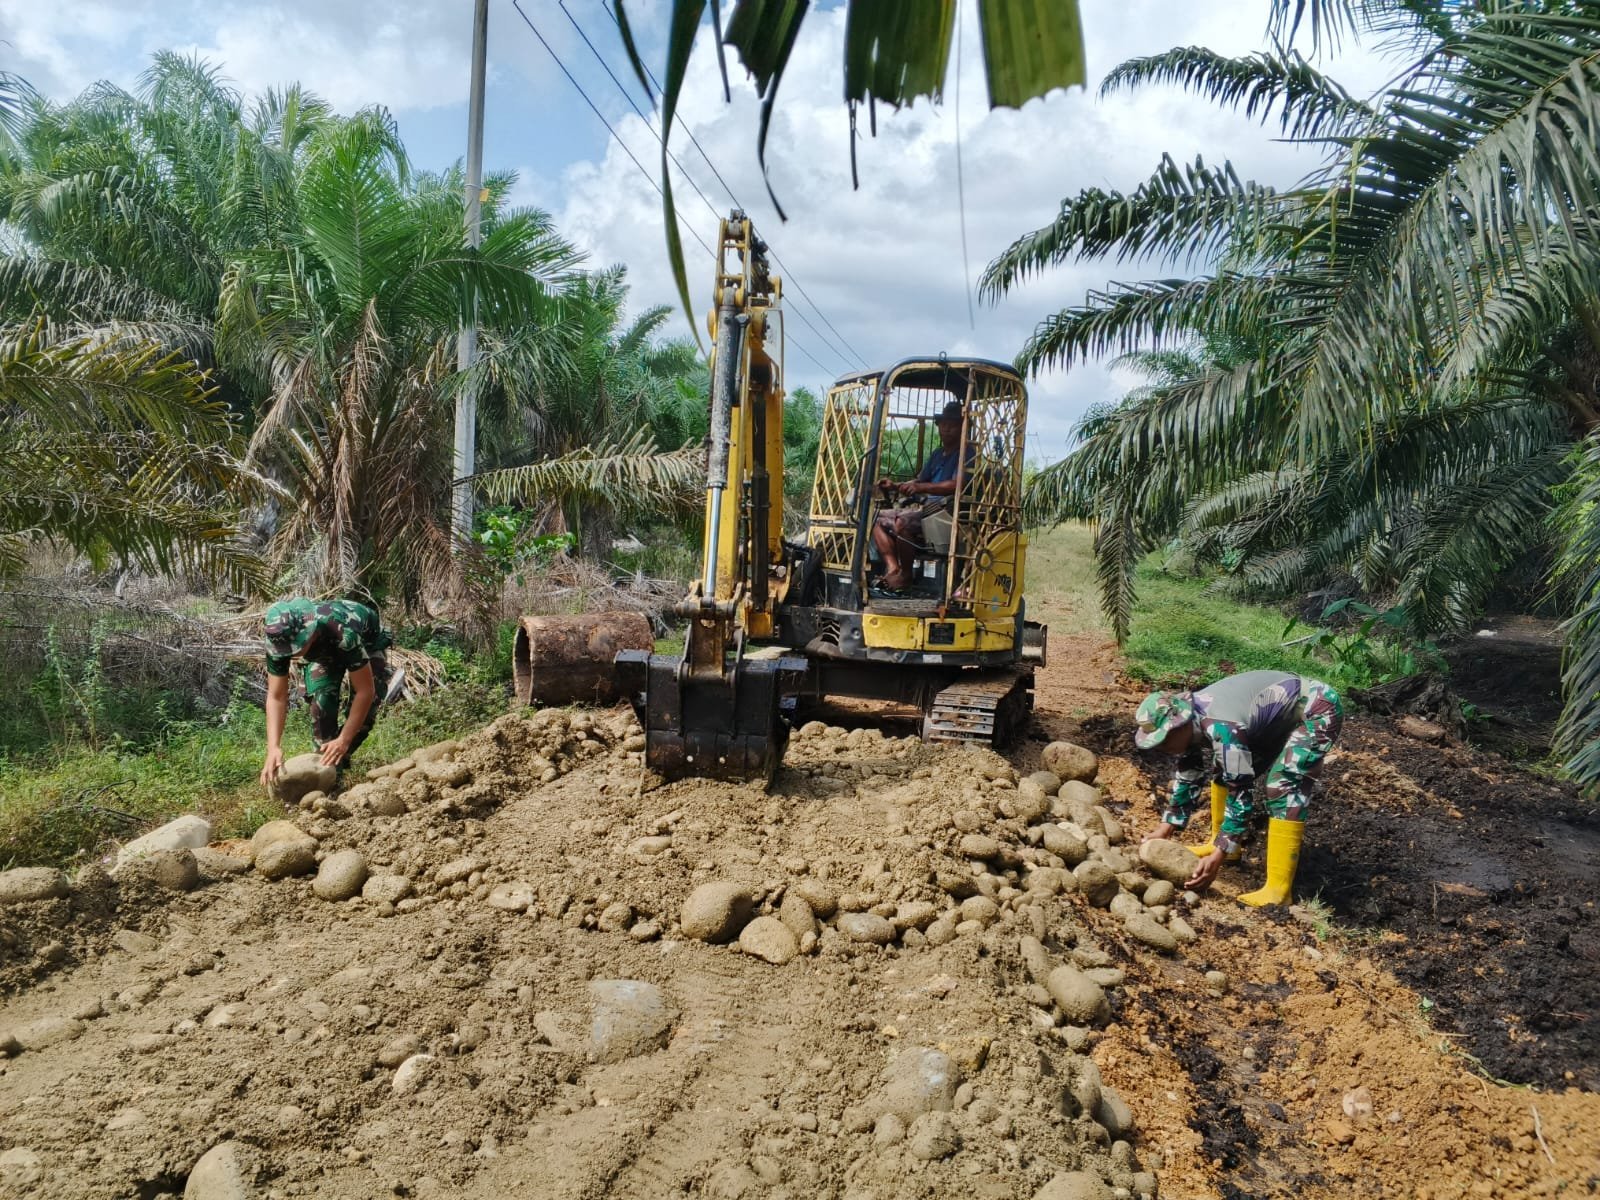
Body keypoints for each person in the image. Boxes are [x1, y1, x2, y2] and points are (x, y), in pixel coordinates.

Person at [1134, 669, 1344, 906]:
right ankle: (1223, 845)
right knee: (1224, 768)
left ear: (1180, 723)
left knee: (1283, 784)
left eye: (1164, 739)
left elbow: (1241, 792)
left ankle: (1278, 891)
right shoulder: (1192, 721)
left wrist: (1218, 856)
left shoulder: (1222, 727)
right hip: (1272, 719)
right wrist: (1166, 827)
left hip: (1316, 708)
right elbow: (1189, 772)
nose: (1162, 748)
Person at [258, 597, 394, 785]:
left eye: (295, 648)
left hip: (367, 643)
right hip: (323, 653)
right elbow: (276, 697)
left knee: (366, 710)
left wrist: (344, 740)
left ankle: (339, 753)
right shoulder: (279, 641)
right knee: (321, 707)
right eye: (286, 651)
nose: (290, 654)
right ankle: (328, 774)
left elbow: (365, 691)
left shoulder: (344, 634)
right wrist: (273, 747)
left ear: (309, 633)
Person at [871, 399, 972, 590]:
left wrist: (922, 488)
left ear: (962, 428)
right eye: (943, 425)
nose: (946, 429)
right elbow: (918, 481)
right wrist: (896, 486)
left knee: (903, 522)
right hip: (928, 510)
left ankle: (906, 576)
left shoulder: (966, 453)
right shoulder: (937, 454)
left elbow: (956, 484)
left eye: (952, 425)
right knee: (877, 519)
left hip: (946, 511)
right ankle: (893, 569)